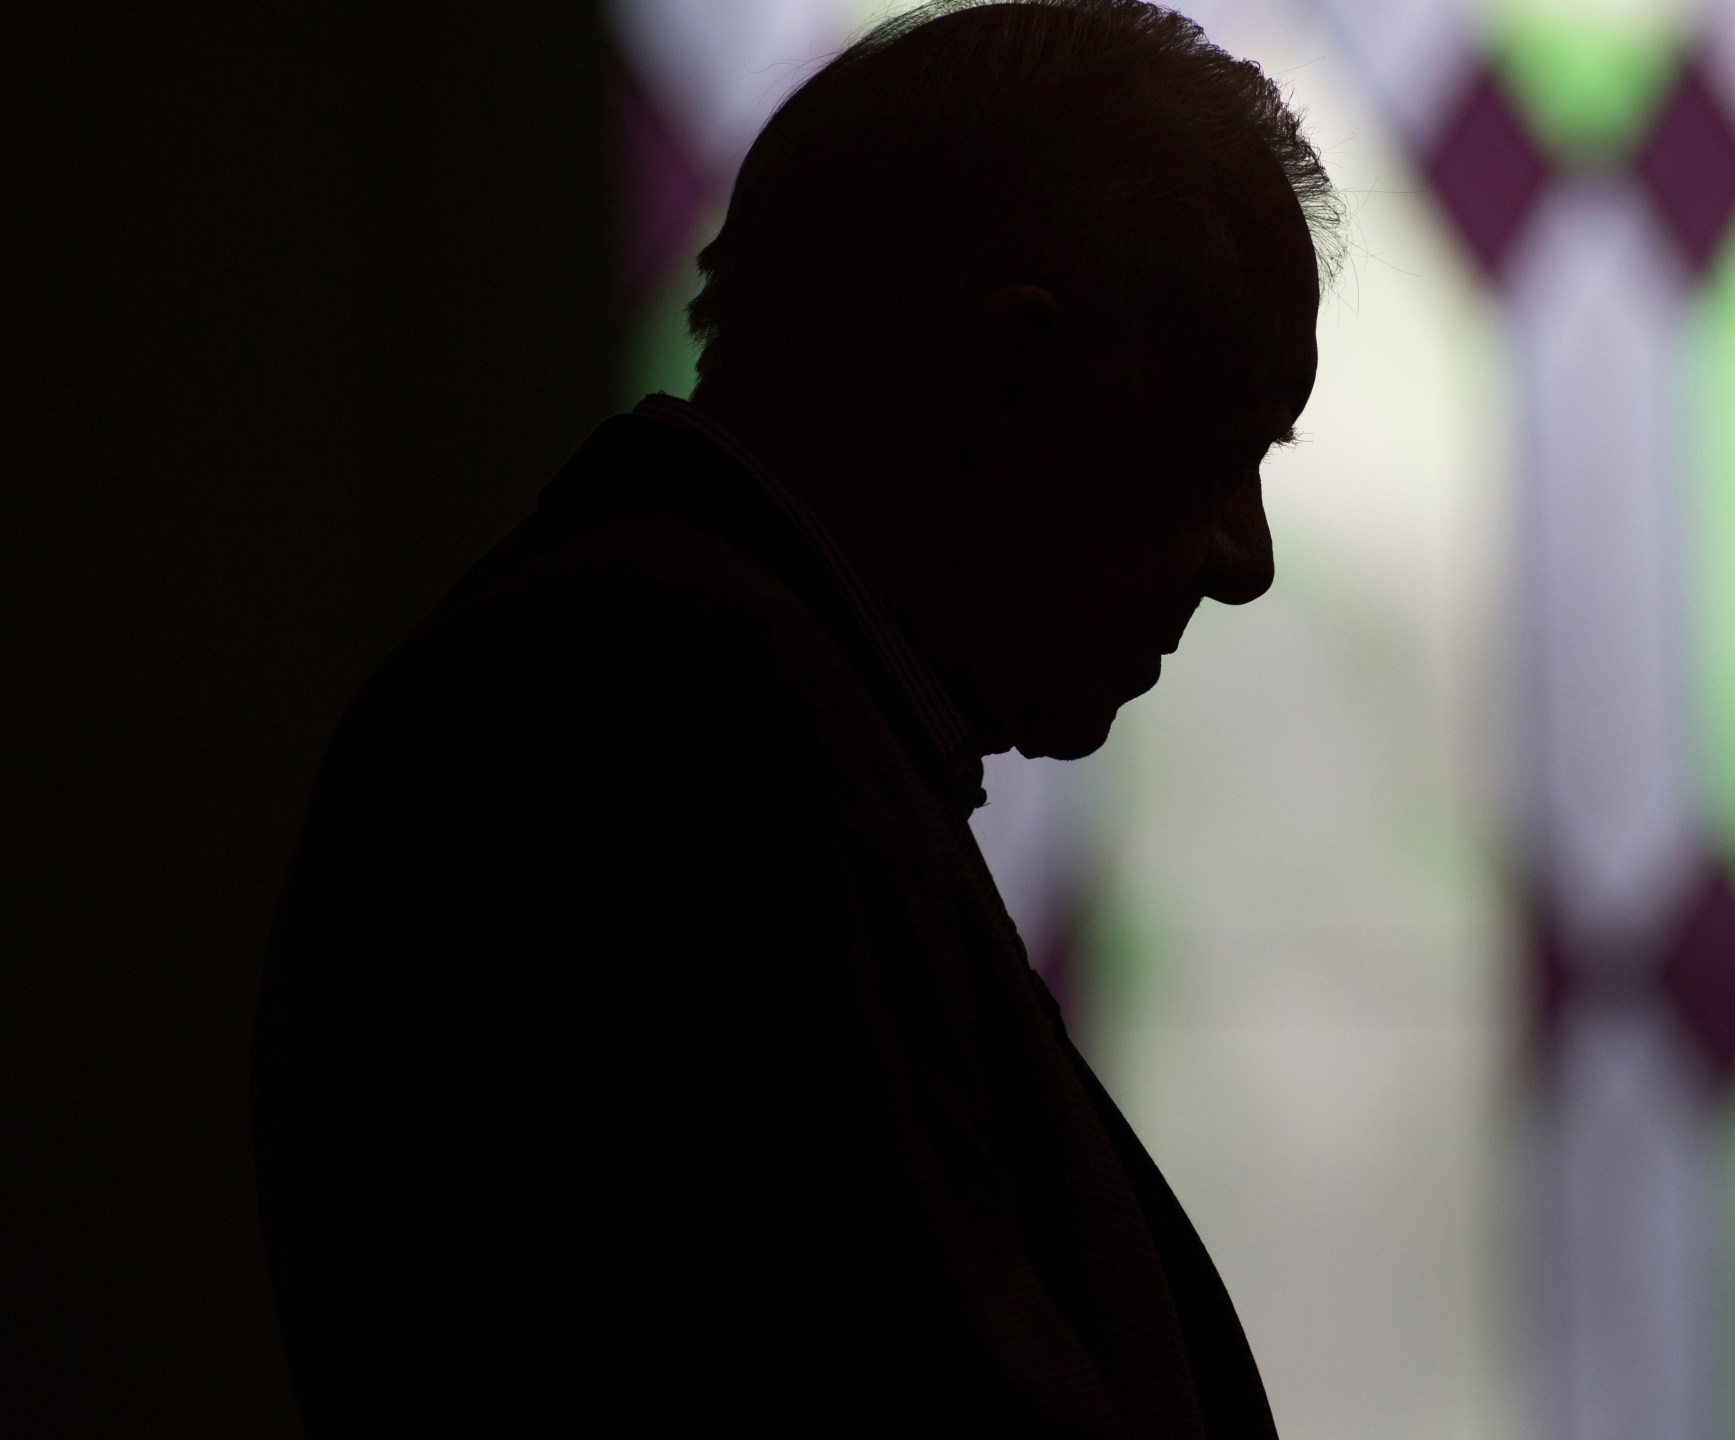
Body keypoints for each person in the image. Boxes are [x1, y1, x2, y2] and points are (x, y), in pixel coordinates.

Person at [252, 1, 1334, 1432]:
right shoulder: (665, 727)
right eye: (1220, 445)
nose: (1245, 561)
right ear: (1013, 382)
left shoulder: (692, 694)